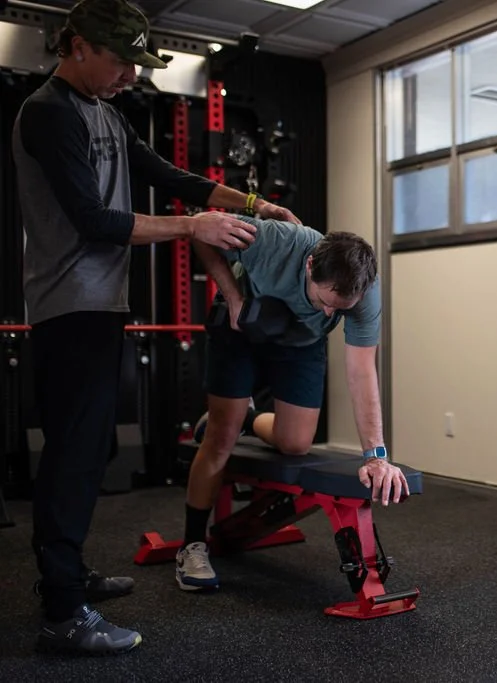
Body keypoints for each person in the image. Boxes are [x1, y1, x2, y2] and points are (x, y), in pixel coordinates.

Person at [11, 0, 301, 656]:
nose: (126, 77)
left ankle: (68, 575)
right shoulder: (48, 113)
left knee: (89, 453)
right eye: (119, 61)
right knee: (72, 457)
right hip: (68, 309)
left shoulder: (106, 114)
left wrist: (254, 204)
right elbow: (94, 219)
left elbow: (171, 178)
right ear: (77, 45)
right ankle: (63, 611)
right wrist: (194, 229)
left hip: (102, 306)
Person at [175, 214, 410, 592]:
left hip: (300, 340)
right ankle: (192, 545)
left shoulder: (363, 292)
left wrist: (376, 455)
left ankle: (248, 419)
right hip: (242, 326)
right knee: (220, 438)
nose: (330, 314)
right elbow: (202, 233)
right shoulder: (272, 240)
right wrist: (233, 296)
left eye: (340, 309)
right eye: (324, 300)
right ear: (310, 264)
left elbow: (362, 371)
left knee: (296, 442)